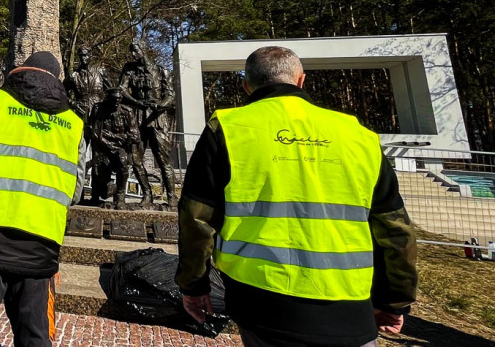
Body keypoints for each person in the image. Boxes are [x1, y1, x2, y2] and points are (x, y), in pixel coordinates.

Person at [176, 46, 418, 347]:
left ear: (246, 86)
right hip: (350, 306)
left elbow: (196, 218)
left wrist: (193, 285)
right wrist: (395, 300)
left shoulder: (227, 128)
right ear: (301, 81)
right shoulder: (359, 135)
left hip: (261, 303)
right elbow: (396, 229)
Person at [0, 51, 89, 347]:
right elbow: (75, 189)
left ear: (21, 71)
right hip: (39, 247)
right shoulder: (74, 124)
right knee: (35, 338)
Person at [119, 41, 176, 205]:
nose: (133, 55)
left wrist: (161, 105)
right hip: (137, 117)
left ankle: (172, 197)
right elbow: (122, 89)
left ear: (143, 50)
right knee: (135, 159)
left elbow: (170, 94)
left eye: (135, 51)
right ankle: (147, 194)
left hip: (157, 118)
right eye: (132, 51)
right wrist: (136, 102)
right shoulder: (129, 70)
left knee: (163, 159)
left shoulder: (161, 71)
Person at [87, 87, 141, 208]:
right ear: (108, 98)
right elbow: (95, 132)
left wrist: (115, 139)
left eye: (118, 99)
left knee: (123, 161)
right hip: (102, 147)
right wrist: (110, 142)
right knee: (104, 191)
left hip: (119, 148)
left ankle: (120, 196)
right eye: (113, 99)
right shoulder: (98, 109)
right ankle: (96, 195)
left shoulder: (127, 112)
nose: (116, 102)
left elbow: (135, 135)